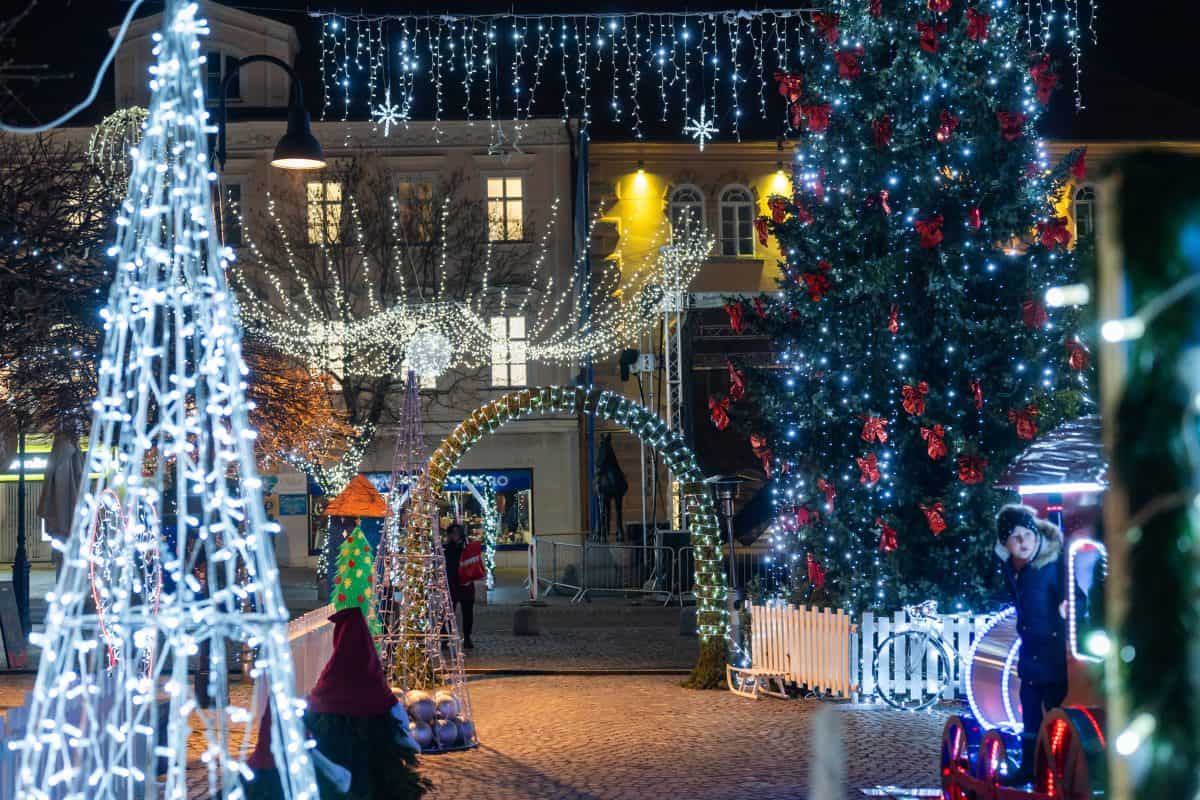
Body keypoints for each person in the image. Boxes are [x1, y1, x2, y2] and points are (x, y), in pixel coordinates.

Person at [994, 504, 1075, 784]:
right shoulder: (1013, 568)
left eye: (1027, 534)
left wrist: (1069, 609)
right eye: (1014, 537)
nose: (1023, 542)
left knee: (1056, 713)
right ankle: (1030, 766)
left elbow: (1077, 598)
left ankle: (1060, 771)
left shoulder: (1053, 564)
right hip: (1030, 654)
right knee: (1029, 713)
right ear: (1005, 543)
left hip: (1054, 655)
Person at [443, 523, 478, 649]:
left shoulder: (466, 547)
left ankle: (467, 637)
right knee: (447, 612)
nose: (455, 536)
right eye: (453, 533)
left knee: (467, 612)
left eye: (457, 533)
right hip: (452, 584)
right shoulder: (446, 549)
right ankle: (444, 638)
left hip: (466, 584)